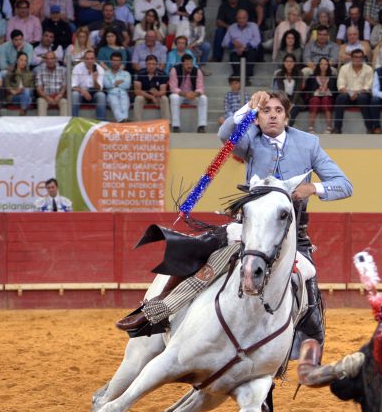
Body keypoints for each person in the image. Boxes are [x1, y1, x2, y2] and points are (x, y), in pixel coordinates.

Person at [118, 90, 353, 347]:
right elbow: (225, 135)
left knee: (307, 281)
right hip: (247, 228)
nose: (272, 116)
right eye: (266, 111)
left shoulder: (309, 143)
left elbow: (344, 185)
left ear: (287, 116)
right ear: (258, 117)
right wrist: (247, 108)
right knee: (201, 248)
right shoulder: (250, 137)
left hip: (292, 236)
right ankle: (157, 310)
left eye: (278, 111)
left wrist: (314, 188)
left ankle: (308, 344)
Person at [333, 49, 374, 133]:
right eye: (355, 57)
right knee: (340, 98)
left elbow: (368, 87)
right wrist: (350, 93)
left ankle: (369, 128)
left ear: (363, 58)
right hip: (347, 94)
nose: (358, 59)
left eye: (360, 57)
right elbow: (340, 86)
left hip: (362, 94)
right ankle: (337, 128)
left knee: (363, 98)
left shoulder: (369, 69)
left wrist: (356, 93)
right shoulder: (344, 68)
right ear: (351, 58)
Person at [169, 52, 208, 132]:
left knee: (203, 98)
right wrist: (185, 94)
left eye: (191, 63)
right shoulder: (175, 70)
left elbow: (200, 88)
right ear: (182, 63)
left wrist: (195, 94)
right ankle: (176, 126)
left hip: (192, 96)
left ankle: (201, 126)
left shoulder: (197, 71)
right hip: (180, 95)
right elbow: (173, 88)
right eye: (187, 64)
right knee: (174, 97)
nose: (189, 66)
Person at [105, 52, 132, 122]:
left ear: (121, 62)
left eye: (118, 61)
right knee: (114, 102)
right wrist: (118, 82)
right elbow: (106, 85)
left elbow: (127, 85)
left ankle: (123, 120)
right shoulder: (106, 73)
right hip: (111, 94)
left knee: (125, 103)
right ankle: (122, 120)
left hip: (123, 93)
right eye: (114, 60)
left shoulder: (126, 73)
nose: (116, 63)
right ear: (111, 61)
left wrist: (114, 84)